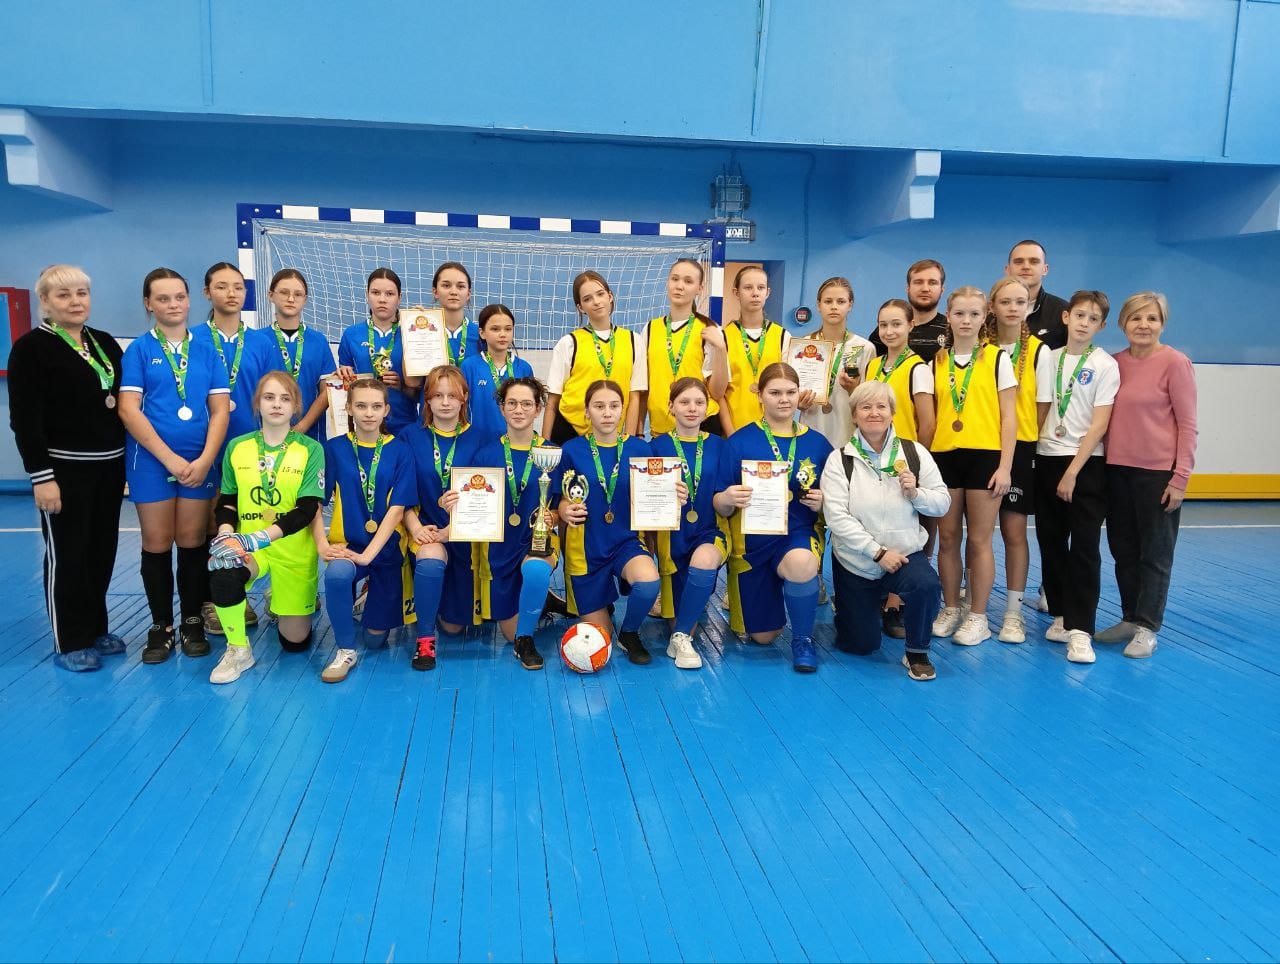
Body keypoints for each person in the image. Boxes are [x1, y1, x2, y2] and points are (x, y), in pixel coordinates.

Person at [8, 265, 126, 672]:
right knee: (68, 555)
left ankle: (95, 628)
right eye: (64, 295)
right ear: (45, 300)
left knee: (101, 552)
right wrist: (42, 477)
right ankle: (70, 639)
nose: (76, 302)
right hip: (63, 471)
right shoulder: (31, 349)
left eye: (81, 293)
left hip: (109, 468)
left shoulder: (104, 343)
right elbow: (25, 420)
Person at [118, 267, 230, 664]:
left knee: (192, 539)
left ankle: (191, 621)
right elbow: (128, 410)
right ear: (148, 304)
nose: (173, 304)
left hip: (199, 462)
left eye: (179, 297)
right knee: (157, 541)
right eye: (163, 298)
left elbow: (220, 411)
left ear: (189, 300)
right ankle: (161, 626)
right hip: (151, 461)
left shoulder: (207, 350)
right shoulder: (138, 350)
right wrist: (169, 458)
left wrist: (205, 459)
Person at [823, 381, 950, 680]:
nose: (874, 413)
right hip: (857, 561)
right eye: (865, 407)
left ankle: (917, 652)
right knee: (861, 645)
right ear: (854, 415)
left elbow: (942, 503)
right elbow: (836, 517)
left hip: (904, 555)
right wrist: (877, 552)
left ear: (892, 413)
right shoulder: (839, 459)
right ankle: (851, 610)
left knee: (926, 585)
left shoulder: (915, 453)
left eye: (881, 406)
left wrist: (916, 494)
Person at [1096, 292, 1197, 659]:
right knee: (1123, 550)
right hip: (1116, 472)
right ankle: (1129, 617)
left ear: (1162, 324)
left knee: (1155, 555)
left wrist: (1180, 478)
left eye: (1152, 318)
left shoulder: (1175, 363)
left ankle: (1147, 627)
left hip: (1157, 474)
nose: (1143, 325)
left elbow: (1188, 425)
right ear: (1123, 323)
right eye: (1136, 318)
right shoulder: (1114, 363)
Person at [206, 372, 325, 683]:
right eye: (269, 397)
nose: (277, 404)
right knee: (224, 568)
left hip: (293, 550)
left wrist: (260, 537)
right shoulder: (237, 446)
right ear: (257, 403)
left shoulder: (310, 449)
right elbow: (227, 501)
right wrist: (226, 532)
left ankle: (279, 600)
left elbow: (306, 509)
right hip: (250, 549)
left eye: (285, 399)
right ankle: (238, 649)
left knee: (294, 643)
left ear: (296, 406)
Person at [721, 363, 833, 672]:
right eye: (775, 393)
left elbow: (839, 503)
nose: (784, 399)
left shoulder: (818, 444)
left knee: (802, 564)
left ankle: (803, 639)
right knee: (763, 637)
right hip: (753, 544)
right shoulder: (740, 442)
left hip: (797, 534)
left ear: (799, 395)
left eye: (790, 392)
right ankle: (779, 596)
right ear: (760, 395)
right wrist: (727, 498)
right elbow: (720, 505)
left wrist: (823, 503)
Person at [1034, 291, 1119, 664]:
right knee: (1051, 542)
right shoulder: (1048, 359)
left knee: (1084, 547)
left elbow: (1099, 424)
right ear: (1066, 317)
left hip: (1085, 464)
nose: (1085, 323)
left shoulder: (1104, 365)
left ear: (1101, 325)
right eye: (1080, 315)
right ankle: (1060, 615)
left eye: (1093, 318)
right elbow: (1040, 410)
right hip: (1046, 457)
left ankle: (1081, 631)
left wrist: (1072, 472)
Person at [929, 286, 1016, 646]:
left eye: (974, 314)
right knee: (948, 538)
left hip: (985, 457)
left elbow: (1009, 417)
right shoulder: (937, 361)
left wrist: (1005, 466)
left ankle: (978, 616)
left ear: (985, 318)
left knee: (980, 540)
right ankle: (951, 608)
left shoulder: (997, 359)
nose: (966, 320)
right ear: (948, 317)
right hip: (945, 456)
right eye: (960, 313)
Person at [317, 378, 416, 682]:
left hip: (386, 549)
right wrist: (322, 546)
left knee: (375, 640)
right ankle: (345, 650)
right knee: (336, 575)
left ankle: (367, 596)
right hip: (348, 545)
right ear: (348, 408)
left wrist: (368, 556)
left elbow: (397, 509)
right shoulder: (334, 448)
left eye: (376, 406)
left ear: (386, 410)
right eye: (361, 406)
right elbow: (314, 503)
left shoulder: (400, 450)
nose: (369, 413)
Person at [557, 379, 662, 664]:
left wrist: (671, 493)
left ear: (622, 410)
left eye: (614, 406)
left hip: (625, 542)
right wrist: (565, 510)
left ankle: (629, 632)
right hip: (587, 549)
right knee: (599, 640)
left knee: (648, 582)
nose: (607, 413)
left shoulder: (640, 449)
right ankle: (602, 604)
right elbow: (561, 499)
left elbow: (654, 494)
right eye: (599, 406)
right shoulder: (571, 450)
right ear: (586, 411)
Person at [196, 261, 266, 633]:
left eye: (238, 286)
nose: (231, 293)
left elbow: (272, 391)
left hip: (249, 448)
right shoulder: (192, 339)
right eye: (222, 286)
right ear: (207, 292)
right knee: (210, 523)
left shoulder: (260, 342)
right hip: (204, 446)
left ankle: (240, 592)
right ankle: (210, 600)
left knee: (244, 521)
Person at [473, 376, 562, 669]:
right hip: (501, 545)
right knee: (508, 633)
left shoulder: (552, 453)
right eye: (511, 403)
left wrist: (553, 516)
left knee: (535, 570)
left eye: (526, 403)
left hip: (538, 539)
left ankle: (526, 641)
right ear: (502, 408)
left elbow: (561, 505)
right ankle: (542, 600)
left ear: (538, 409)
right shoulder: (486, 454)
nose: (519, 410)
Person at [648, 377, 733, 669]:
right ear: (671, 407)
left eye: (699, 402)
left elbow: (726, 494)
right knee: (677, 617)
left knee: (704, 563)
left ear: (708, 408)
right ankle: (683, 616)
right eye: (684, 402)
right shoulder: (656, 447)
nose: (692, 408)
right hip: (672, 538)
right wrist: (664, 491)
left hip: (709, 531)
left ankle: (682, 638)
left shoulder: (721, 446)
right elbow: (644, 497)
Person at [402, 365, 483, 669]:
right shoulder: (410, 436)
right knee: (431, 558)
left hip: (464, 535)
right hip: (424, 531)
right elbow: (400, 493)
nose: (445, 402)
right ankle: (425, 640)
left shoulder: (482, 438)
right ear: (427, 400)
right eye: (438, 395)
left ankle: (432, 600)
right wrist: (416, 528)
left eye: (452, 395)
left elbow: (487, 498)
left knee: (453, 628)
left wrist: (452, 529)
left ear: (464, 398)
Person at [866, 297, 937, 638]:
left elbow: (927, 422)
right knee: (877, 528)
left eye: (896, 324)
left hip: (902, 463)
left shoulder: (918, 368)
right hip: (873, 460)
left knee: (904, 532)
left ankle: (896, 604)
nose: (889, 331)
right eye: (884, 325)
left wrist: (917, 464)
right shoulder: (873, 366)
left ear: (911, 325)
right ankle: (875, 595)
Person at [985, 276, 1048, 643]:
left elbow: (1041, 408)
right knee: (977, 533)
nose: (1012, 308)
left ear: (1029, 307)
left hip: (1020, 448)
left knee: (1013, 531)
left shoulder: (1039, 352)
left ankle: (1013, 611)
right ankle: (972, 601)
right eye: (1005, 301)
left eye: (1020, 302)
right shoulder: (981, 347)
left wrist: (1021, 441)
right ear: (992, 307)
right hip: (980, 444)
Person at [544, 270, 643, 443]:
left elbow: (634, 396)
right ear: (580, 308)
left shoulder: (634, 340)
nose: (596, 302)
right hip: (569, 429)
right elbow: (553, 400)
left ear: (610, 296)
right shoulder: (569, 343)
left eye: (600, 294)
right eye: (587, 299)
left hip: (611, 431)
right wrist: (545, 443)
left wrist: (629, 440)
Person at [635, 258, 728, 437]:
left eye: (688, 281)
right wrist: (639, 432)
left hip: (702, 427)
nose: (679, 286)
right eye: (675, 279)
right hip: (661, 430)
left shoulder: (710, 329)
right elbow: (643, 389)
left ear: (699, 289)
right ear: (667, 282)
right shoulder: (651, 329)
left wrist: (721, 350)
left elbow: (717, 392)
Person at [247, 268, 336, 442]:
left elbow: (327, 391)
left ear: (305, 299)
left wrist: (302, 427)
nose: (290, 299)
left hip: (309, 437)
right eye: (284, 292)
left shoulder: (318, 341)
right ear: (271, 295)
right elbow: (252, 390)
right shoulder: (256, 340)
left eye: (298, 294)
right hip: (265, 436)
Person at [337, 267, 418, 435]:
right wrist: (342, 375)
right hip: (364, 426)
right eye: (375, 293)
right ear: (367, 295)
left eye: (389, 294)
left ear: (399, 298)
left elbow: (423, 393)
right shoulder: (351, 335)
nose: (382, 299)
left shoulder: (412, 331)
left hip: (404, 426)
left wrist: (402, 386)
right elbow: (344, 389)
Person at [797, 277, 874, 448]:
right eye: (828, 301)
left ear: (850, 305)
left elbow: (870, 399)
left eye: (840, 301)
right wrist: (798, 402)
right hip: (811, 429)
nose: (834, 307)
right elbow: (792, 391)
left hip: (847, 433)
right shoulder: (804, 345)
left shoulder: (864, 348)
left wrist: (853, 389)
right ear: (818, 305)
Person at [719, 265, 789, 434]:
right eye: (748, 287)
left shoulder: (782, 336)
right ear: (736, 292)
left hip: (774, 430)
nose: (755, 293)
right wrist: (731, 434)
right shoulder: (723, 337)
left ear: (768, 292)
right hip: (735, 429)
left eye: (761, 287)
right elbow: (719, 395)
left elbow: (788, 387)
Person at [461, 303, 534, 442]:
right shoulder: (469, 366)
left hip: (513, 443)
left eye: (508, 329)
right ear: (482, 333)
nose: (502, 334)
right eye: (495, 329)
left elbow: (530, 409)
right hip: (477, 443)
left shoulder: (524, 368)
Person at [868, 259, 950, 362]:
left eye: (932, 283)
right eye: (918, 282)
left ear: (942, 289)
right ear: (908, 288)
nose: (925, 289)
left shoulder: (952, 331)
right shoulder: (885, 333)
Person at [1005, 240, 1070, 349]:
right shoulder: (990, 311)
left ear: (1045, 269)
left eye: (1034, 261)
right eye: (1018, 262)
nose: (1026, 266)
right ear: (1007, 270)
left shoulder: (1063, 311)